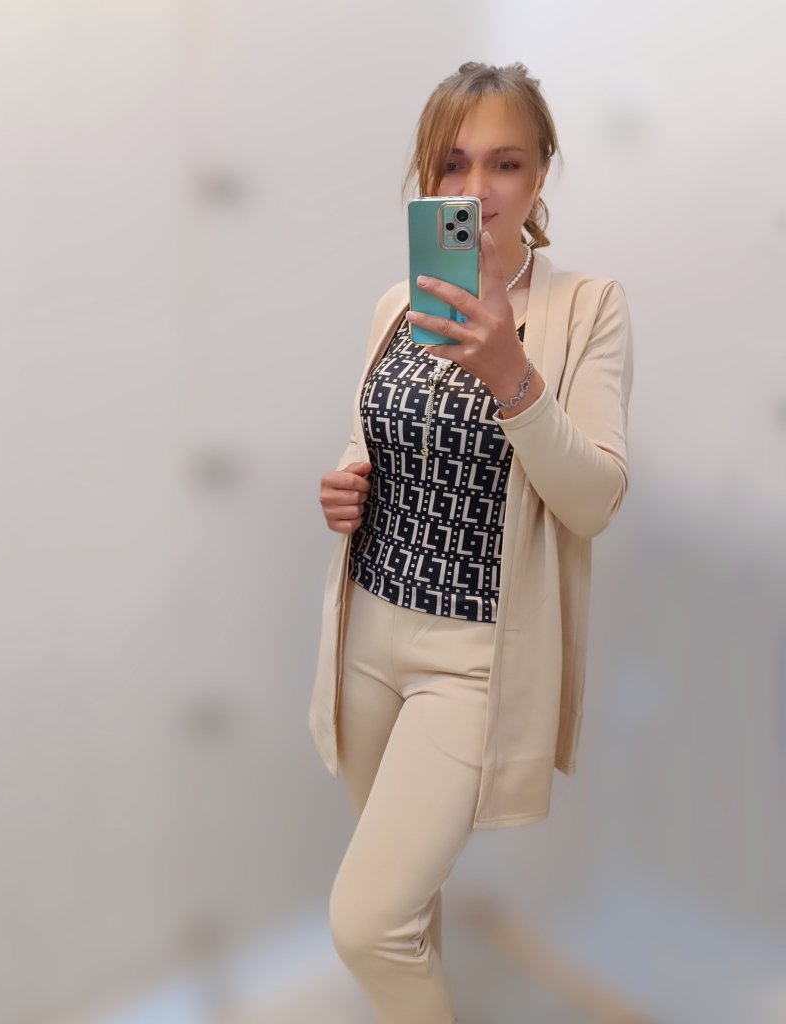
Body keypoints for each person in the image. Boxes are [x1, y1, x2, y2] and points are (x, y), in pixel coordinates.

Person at [307, 62, 634, 1023]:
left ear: (541, 176)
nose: (477, 188)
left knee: (366, 925)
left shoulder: (589, 307)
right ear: (427, 175)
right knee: (403, 909)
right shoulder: (397, 305)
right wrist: (345, 485)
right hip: (368, 640)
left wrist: (508, 369)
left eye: (505, 163)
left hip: (474, 663)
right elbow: (377, 439)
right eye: (452, 163)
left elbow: (595, 500)